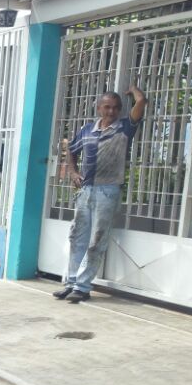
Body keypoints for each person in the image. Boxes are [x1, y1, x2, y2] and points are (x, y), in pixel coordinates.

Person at [55, 86, 147, 304]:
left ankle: (83, 287)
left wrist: (133, 89)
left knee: (97, 240)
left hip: (108, 191)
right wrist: (73, 171)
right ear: (98, 108)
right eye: (107, 107)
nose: (111, 111)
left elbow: (141, 102)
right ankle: (71, 283)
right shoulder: (87, 130)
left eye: (115, 108)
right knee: (77, 237)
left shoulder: (125, 127)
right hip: (86, 190)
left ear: (120, 110)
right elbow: (71, 150)